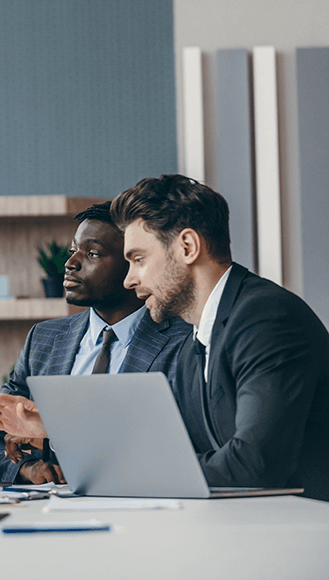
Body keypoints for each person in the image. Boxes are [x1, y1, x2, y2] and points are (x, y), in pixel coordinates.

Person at [111, 175, 329, 500]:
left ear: (187, 246)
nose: (129, 280)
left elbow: (256, 464)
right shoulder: (193, 343)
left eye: (138, 259)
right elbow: (183, 447)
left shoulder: (265, 318)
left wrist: (136, 473)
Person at [0, 202, 191, 484]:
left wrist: (55, 432)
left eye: (92, 253)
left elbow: (173, 445)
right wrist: (26, 470)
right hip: (53, 511)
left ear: (134, 263)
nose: (70, 264)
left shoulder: (184, 341)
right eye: (73, 251)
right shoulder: (44, 339)